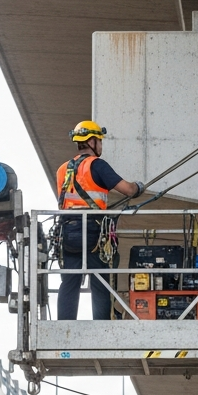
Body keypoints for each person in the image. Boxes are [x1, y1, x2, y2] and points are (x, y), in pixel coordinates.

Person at [55, 120, 144, 320]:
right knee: (100, 282)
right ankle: (101, 326)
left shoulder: (62, 169)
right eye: (100, 141)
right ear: (93, 141)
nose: (101, 145)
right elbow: (127, 190)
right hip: (93, 231)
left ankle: (63, 326)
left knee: (69, 282)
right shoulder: (96, 165)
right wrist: (138, 187)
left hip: (68, 232)